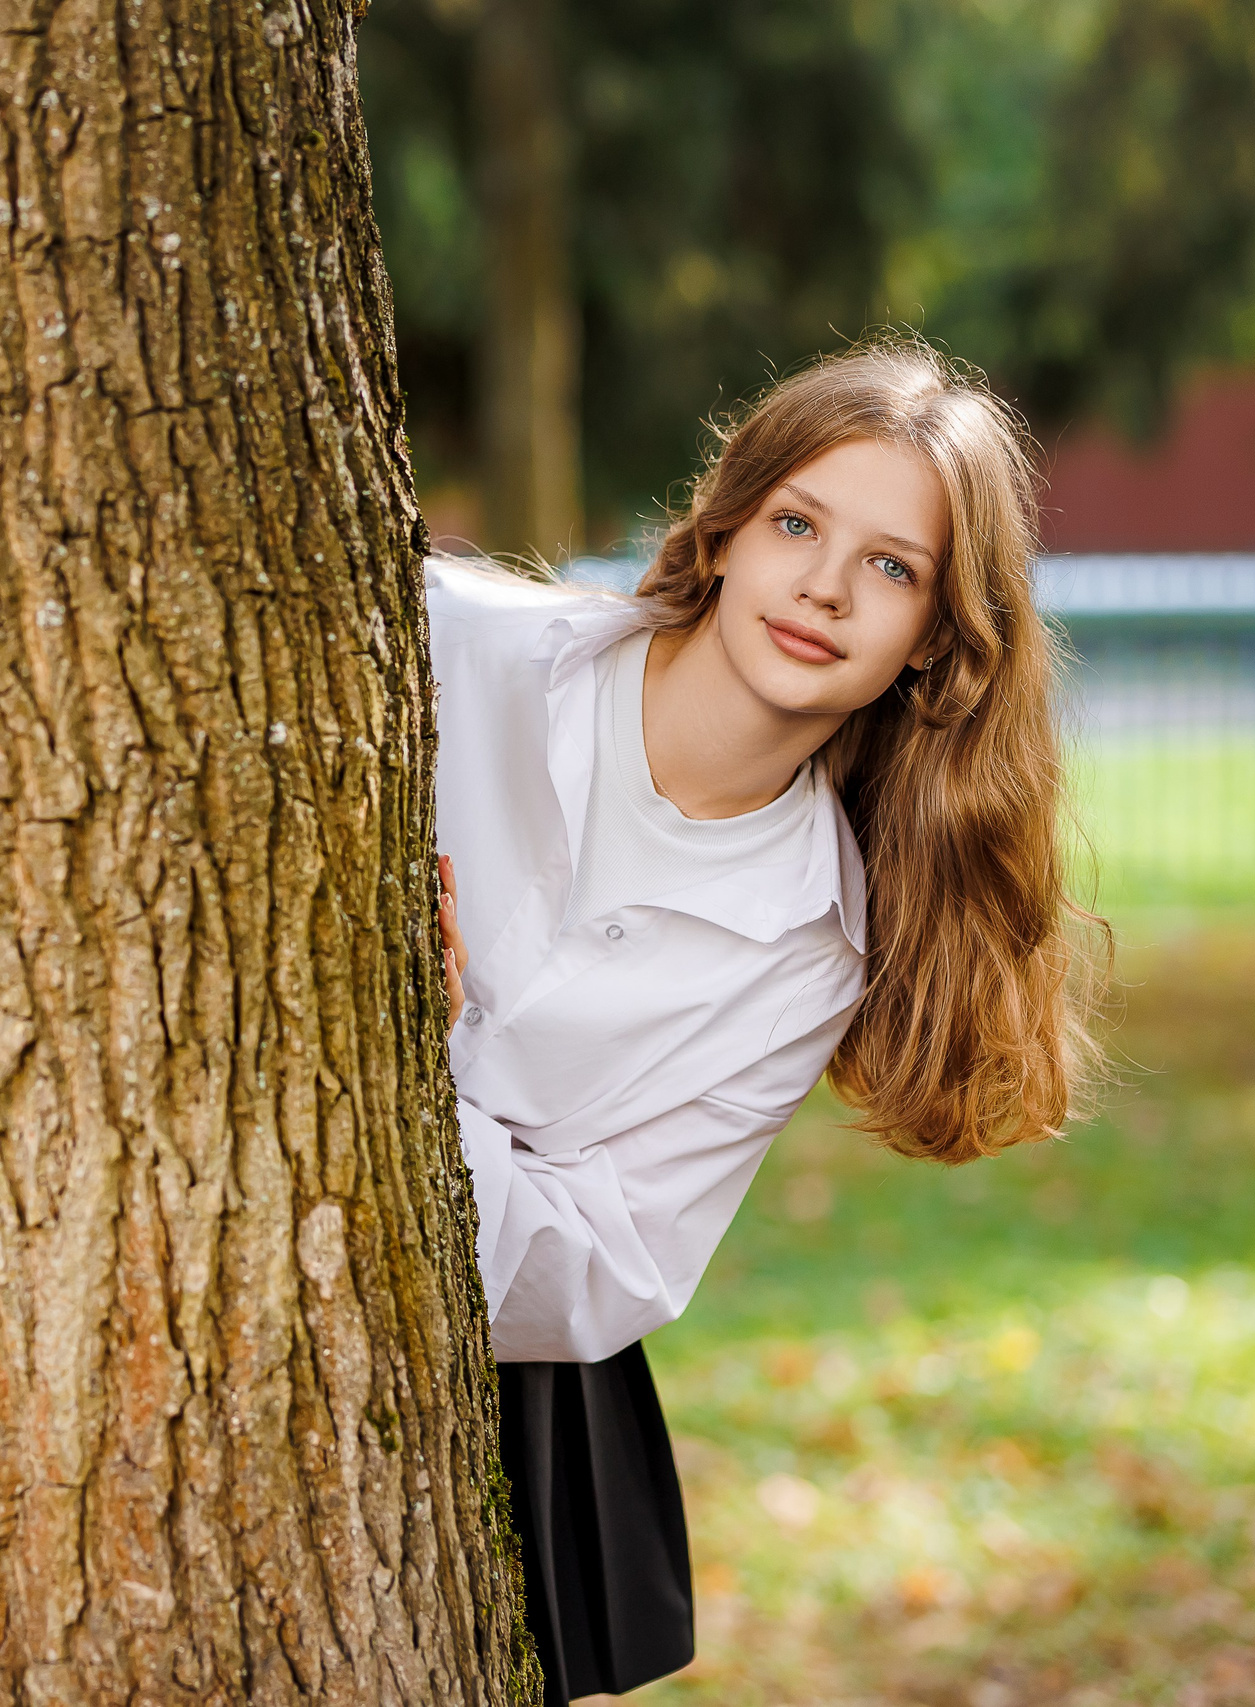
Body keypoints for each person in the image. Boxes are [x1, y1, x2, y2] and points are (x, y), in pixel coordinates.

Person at [428, 337, 1104, 1705]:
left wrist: (412, 1064)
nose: (824, 587)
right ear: (727, 529)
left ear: (935, 643)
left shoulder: (814, 951)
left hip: (472, 1413)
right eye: (799, 523)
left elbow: (599, 1273)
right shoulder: (459, 647)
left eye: (893, 567)